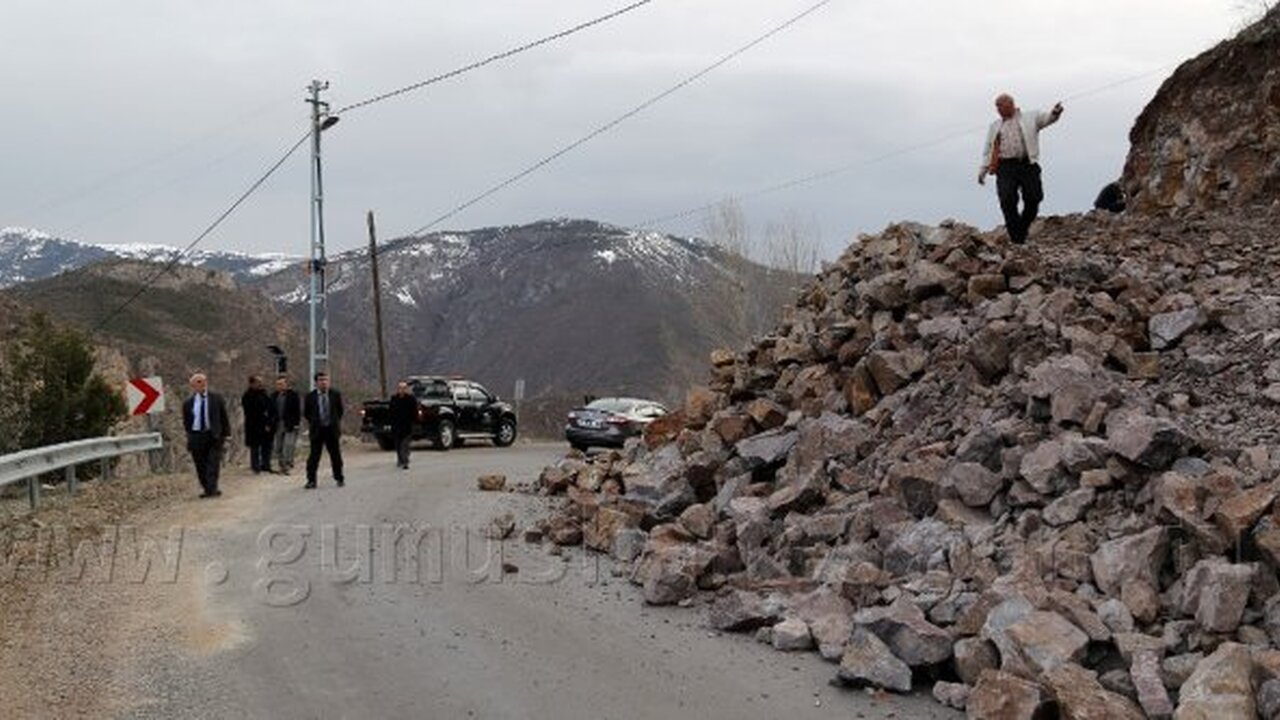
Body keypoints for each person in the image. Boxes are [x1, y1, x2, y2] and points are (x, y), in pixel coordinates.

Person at [978, 93, 1064, 244]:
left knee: (1034, 198)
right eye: (997, 107)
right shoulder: (995, 126)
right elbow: (989, 149)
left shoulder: (1031, 117)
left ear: (1011, 104)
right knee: (1007, 200)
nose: (998, 110)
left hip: (1027, 164)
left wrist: (1055, 113)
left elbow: (1047, 119)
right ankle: (1016, 239)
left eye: (1000, 106)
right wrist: (983, 170)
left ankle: (1022, 228)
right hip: (1005, 167)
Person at [182, 373, 231, 498]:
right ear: (193, 385)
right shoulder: (188, 403)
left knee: (213, 463)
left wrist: (226, 435)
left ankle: (213, 488)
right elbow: (187, 422)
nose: (202, 384)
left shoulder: (216, 398)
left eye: (203, 381)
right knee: (200, 464)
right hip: (196, 436)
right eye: (198, 382)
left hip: (213, 435)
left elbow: (223, 417)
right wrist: (189, 437)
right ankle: (207, 488)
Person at [303, 371, 345, 489]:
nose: (324, 382)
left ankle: (339, 478)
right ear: (316, 382)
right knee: (314, 457)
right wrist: (315, 422)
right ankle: (311, 480)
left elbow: (340, 411)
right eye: (321, 380)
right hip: (317, 431)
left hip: (331, 430)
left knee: (335, 455)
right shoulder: (310, 397)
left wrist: (333, 422)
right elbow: (307, 413)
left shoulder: (335, 394)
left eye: (326, 380)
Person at [241, 375, 276, 473]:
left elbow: (271, 408)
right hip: (253, 425)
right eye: (258, 382)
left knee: (267, 446)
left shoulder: (264, 394)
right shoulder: (247, 396)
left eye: (261, 382)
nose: (260, 384)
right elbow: (250, 411)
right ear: (252, 384)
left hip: (265, 424)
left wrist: (269, 422)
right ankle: (255, 466)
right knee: (255, 447)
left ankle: (266, 464)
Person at [270, 375, 302, 474]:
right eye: (278, 384)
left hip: (289, 424)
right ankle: (282, 464)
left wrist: (296, 423)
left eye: (282, 384)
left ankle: (286, 465)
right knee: (278, 446)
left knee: (288, 445)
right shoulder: (273, 396)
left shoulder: (293, 395)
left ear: (286, 384)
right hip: (277, 424)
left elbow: (297, 411)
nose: (279, 386)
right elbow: (270, 411)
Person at [388, 380, 418, 470]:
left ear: (406, 389)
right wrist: (391, 422)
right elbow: (391, 411)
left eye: (404, 388)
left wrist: (413, 422)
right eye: (400, 388)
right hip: (397, 426)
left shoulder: (411, 399)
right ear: (398, 389)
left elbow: (414, 412)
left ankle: (405, 461)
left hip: (407, 426)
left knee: (405, 445)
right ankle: (400, 459)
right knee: (398, 444)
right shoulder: (394, 399)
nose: (402, 390)